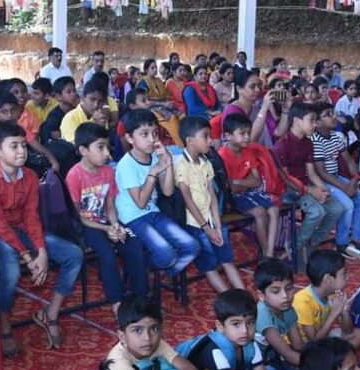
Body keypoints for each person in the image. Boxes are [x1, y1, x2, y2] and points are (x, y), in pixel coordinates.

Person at [0, 121, 83, 354]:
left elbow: (31, 217)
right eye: (14, 146)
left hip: (22, 229)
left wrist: (41, 251)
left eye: (24, 145)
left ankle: (50, 313)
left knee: (74, 254)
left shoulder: (30, 176)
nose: (22, 151)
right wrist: (28, 256)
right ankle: (3, 321)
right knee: (11, 270)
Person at [65, 122, 149, 312]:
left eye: (107, 147)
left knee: (134, 245)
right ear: (83, 150)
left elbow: (110, 205)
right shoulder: (74, 176)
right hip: (87, 226)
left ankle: (141, 298)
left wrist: (115, 225)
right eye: (100, 147)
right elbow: (79, 217)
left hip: (107, 221)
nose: (107, 154)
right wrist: (106, 228)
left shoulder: (108, 171)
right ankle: (117, 302)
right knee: (107, 255)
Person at [115, 109, 199, 277]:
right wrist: (153, 172)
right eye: (144, 134)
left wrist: (168, 163)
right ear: (130, 138)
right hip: (132, 218)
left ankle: (163, 273)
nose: (152, 139)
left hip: (153, 213)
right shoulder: (126, 165)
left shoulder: (154, 157)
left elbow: (168, 191)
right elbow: (140, 203)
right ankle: (139, 266)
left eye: (154, 133)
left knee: (192, 246)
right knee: (167, 254)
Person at [176, 116, 245, 293]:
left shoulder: (206, 162)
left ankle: (244, 297)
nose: (211, 140)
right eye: (205, 136)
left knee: (227, 259)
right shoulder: (181, 165)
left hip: (212, 220)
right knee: (209, 266)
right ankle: (229, 299)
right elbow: (187, 200)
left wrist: (218, 225)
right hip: (195, 224)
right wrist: (206, 228)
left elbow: (212, 196)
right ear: (190, 141)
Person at [273, 103, 343, 261]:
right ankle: (295, 247)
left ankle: (312, 242)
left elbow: (311, 173)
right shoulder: (282, 145)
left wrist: (322, 189)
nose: (315, 124)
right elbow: (286, 178)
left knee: (337, 208)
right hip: (288, 189)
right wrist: (311, 191)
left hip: (305, 186)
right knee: (317, 212)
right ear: (297, 121)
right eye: (311, 120)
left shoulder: (308, 142)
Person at [311, 104, 360, 262]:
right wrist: (345, 188)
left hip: (335, 177)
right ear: (317, 122)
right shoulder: (315, 140)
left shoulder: (336, 136)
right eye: (328, 114)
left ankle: (357, 240)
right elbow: (322, 172)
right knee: (347, 204)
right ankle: (341, 244)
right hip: (321, 181)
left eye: (333, 113)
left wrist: (355, 177)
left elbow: (348, 159)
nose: (334, 117)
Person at [220, 113, 282, 259]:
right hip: (232, 197)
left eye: (248, 132)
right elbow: (230, 188)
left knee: (274, 209)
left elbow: (257, 181)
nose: (247, 137)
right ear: (228, 136)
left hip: (248, 192)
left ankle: (269, 253)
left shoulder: (247, 150)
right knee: (260, 212)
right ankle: (267, 256)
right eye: (242, 133)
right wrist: (243, 183)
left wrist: (237, 181)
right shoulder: (223, 155)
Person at [292, 250, 360, 348]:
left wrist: (344, 312)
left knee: (359, 334)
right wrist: (334, 314)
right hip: (306, 345)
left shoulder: (333, 293)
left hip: (323, 336)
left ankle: (340, 354)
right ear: (328, 279)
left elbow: (348, 332)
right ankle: (341, 355)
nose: (348, 277)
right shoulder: (303, 302)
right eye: (343, 274)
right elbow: (314, 340)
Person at [254, 259, 305, 370]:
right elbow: (288, 355)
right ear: (261, 295)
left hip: (272, 355)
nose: (285, 296)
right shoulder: (264, 316)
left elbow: (298, 345)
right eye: (276, 291)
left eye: (288, 288)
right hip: (254, 363)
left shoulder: (288, 309)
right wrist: (318, 363)